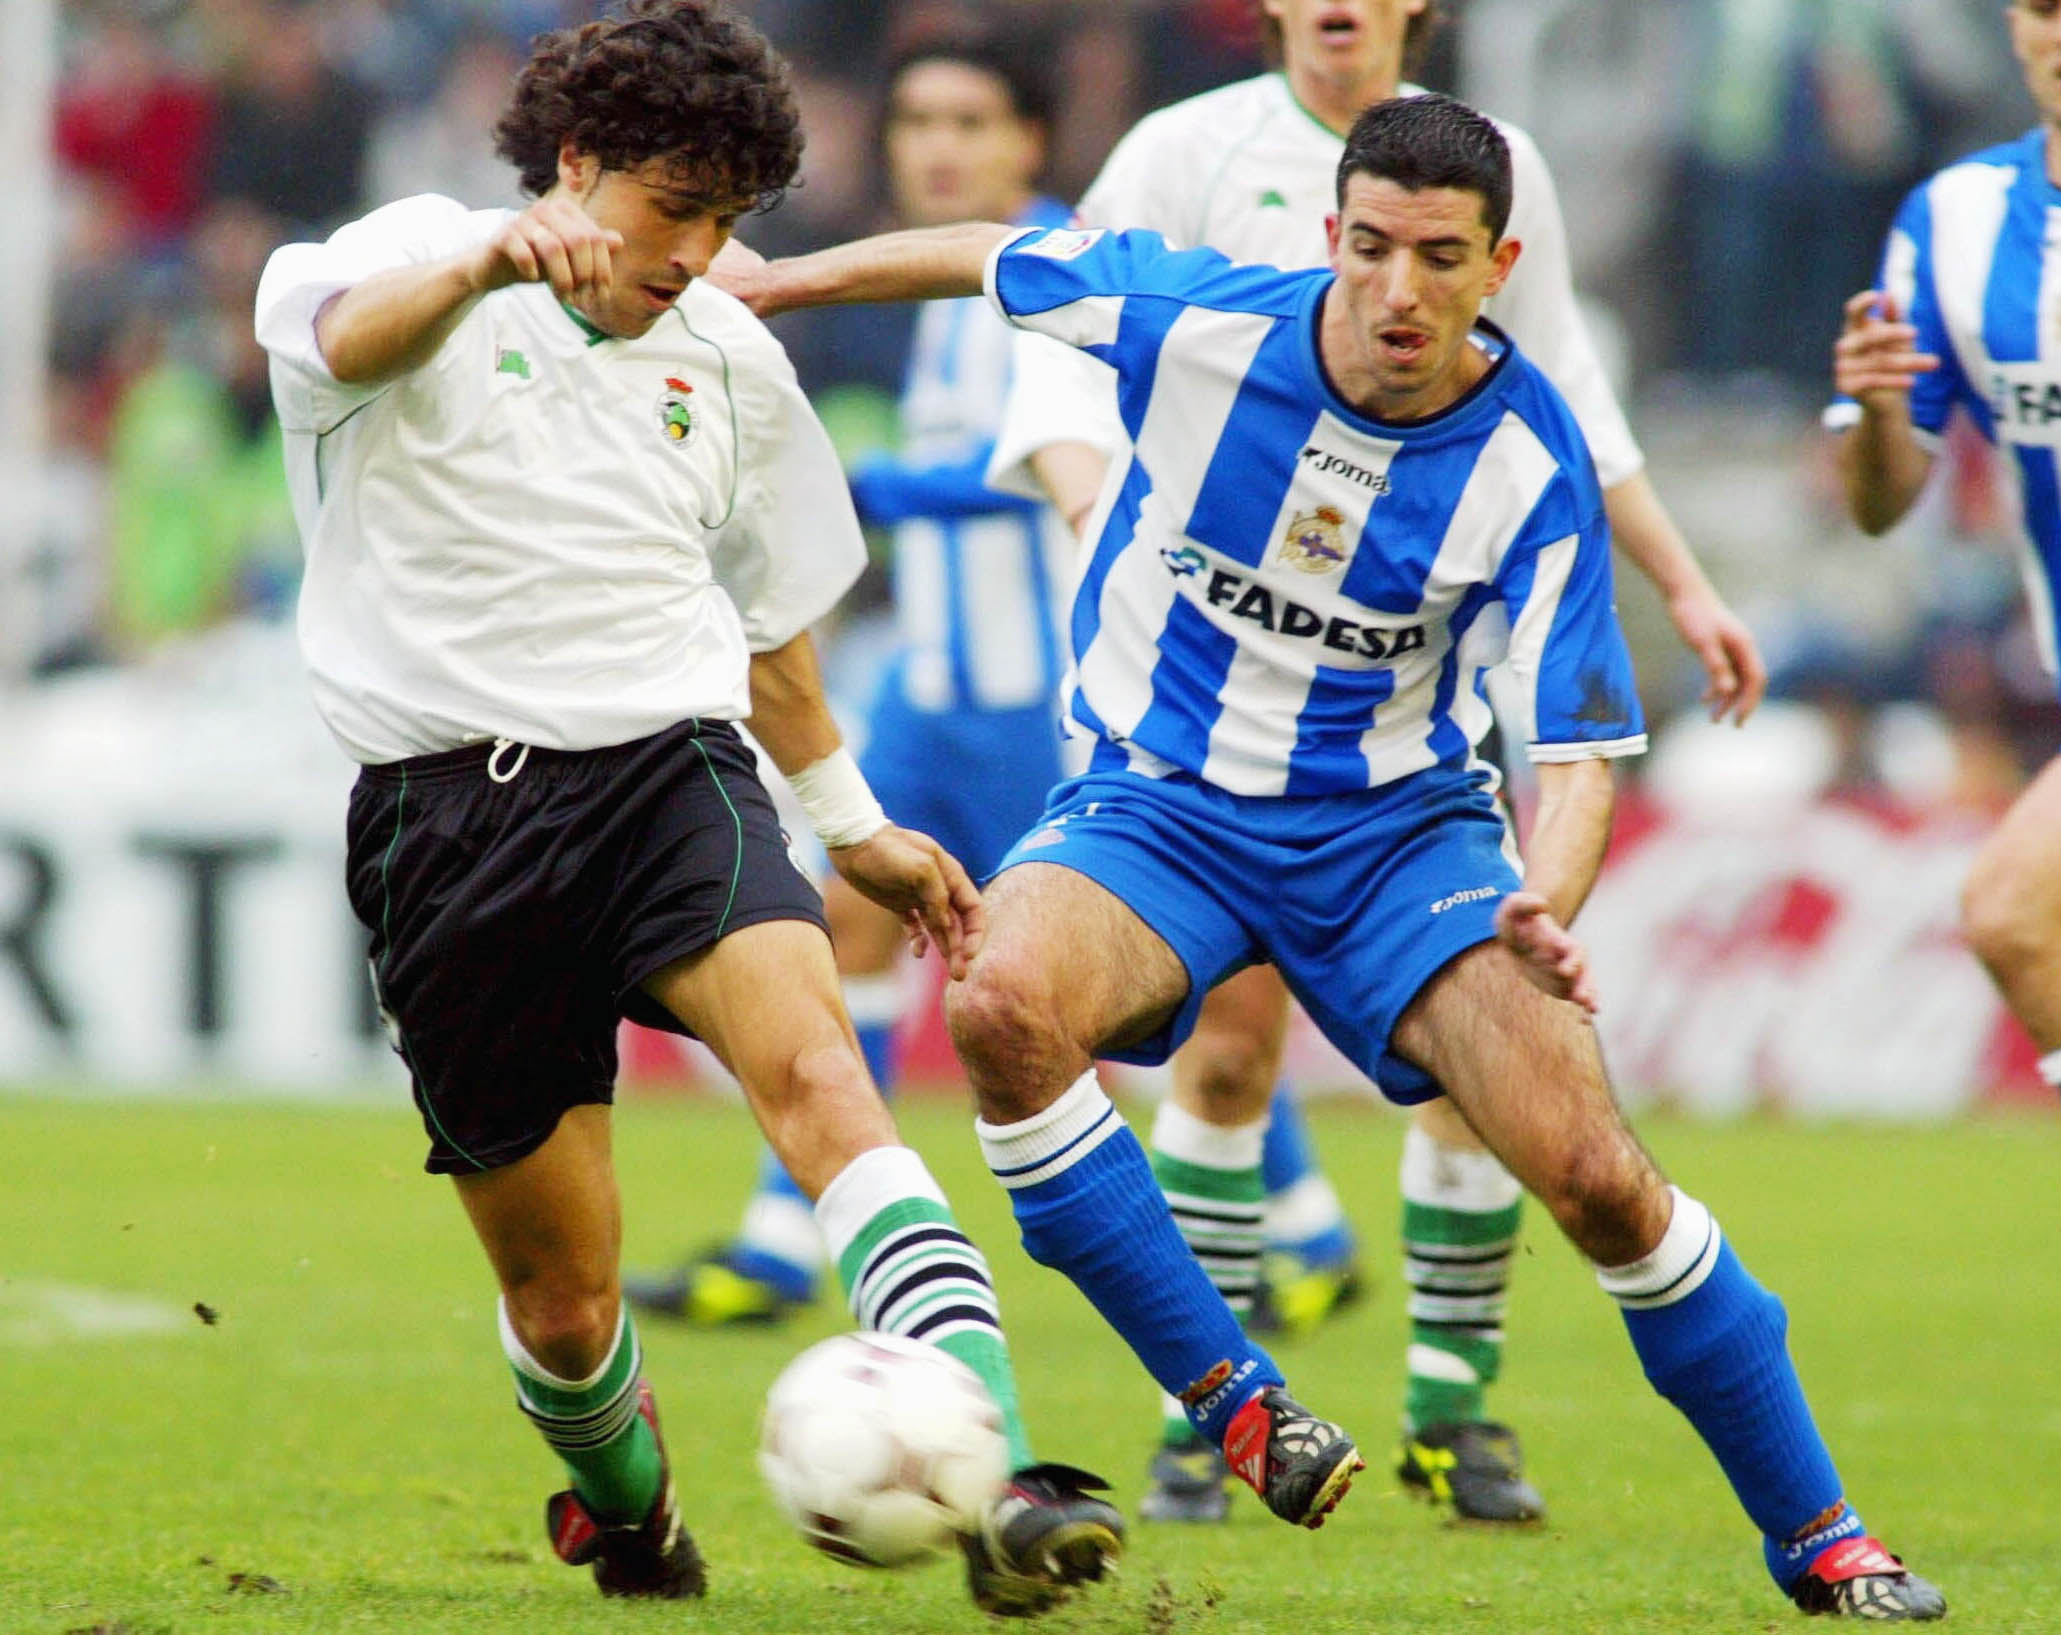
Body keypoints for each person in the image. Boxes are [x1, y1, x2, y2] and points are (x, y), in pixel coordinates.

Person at [726, 92, 1948, 1621]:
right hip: (1159, 805)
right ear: (1331, 237)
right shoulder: (1197, 319)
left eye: (1440, 258)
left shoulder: (1532, 457)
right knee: (1000, 1002)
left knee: (1597, 1182)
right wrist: (779, 280)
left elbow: (1576, 751)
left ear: (1499, 264)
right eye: (1371, 247)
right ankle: (1236, 1397)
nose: (1398, 291)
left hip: (1397, 838)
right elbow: (995, 253)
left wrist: (1544, 907)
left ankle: (1824, 1539)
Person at [251, 2, 1121, 1614]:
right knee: (567, 1307)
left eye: (727, 220)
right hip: (449, 824)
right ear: (575, 165)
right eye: (671, 210)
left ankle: (991, 1468)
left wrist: (850, 821)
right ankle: (625, 1511)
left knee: (820, 1078)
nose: (697, 252)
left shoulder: (726, 351)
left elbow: (771, 625)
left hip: (671, 773)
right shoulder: (418, 256)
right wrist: (487, 267)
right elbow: (331, 340)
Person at [984, 0, 1768, 1527]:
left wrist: (1678, 579)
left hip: (1406, 687)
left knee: (1477, 1069)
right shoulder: (1183, 148)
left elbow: (1568, 415)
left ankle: (1451, 1414)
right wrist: (1103, 520)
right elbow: (1068, 350)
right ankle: (1196, 1417)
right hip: (1204, 700)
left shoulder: (1494, 166)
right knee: (1226, 1045)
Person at [625, 30, 1079, 1330]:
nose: (938, 146)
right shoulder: (932, 293)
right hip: (931, 694)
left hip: (1033, 706)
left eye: (971, 121)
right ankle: (786, 1236)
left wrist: (869, 486)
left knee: (1088, 999)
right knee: (848, 929)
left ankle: (1279, 1235)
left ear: (1029, 143)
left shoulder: (1046, 271)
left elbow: (1056, 462)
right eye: (917, 120)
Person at [1833, 0, 2061, 1456]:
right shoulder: (1957, 222)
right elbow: (1882, 498)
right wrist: (1872, 418)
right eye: (2044, 4)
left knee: (2016, 904)